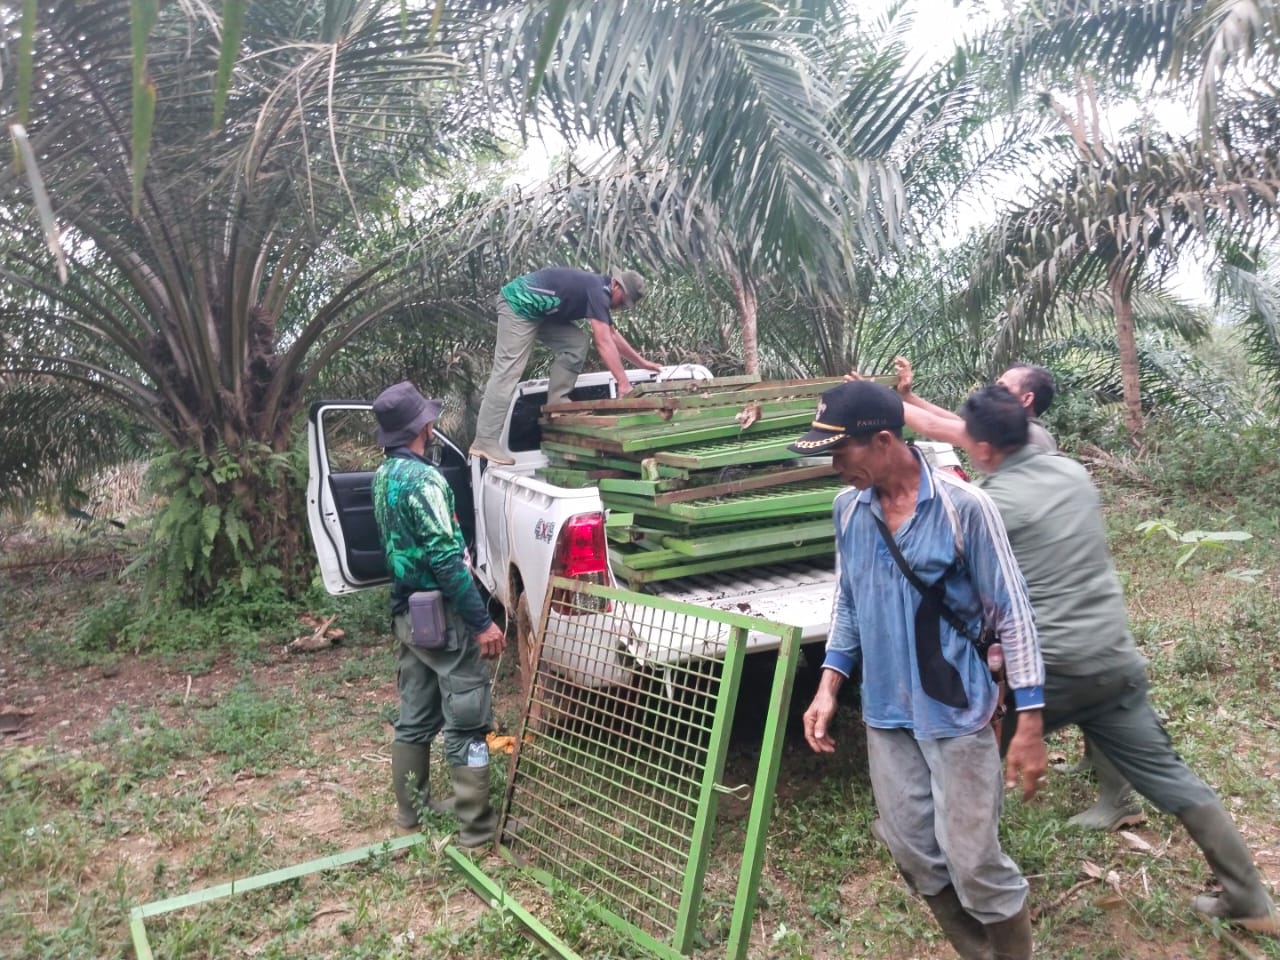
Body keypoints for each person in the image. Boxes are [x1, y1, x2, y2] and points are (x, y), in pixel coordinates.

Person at [956, 385, 1278, 933]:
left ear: (984, 449)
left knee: (960, 753)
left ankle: (951, 870)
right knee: (1175, 780)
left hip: (1050, 670)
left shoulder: (989, 505)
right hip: (1113, 656)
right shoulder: (1074, 474)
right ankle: (1251, 900)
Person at [795, 379, 1048, 960]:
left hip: (957, 709)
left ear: (883, 441)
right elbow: (851, 603)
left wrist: (1030, 720)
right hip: (887, 710)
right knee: (912, 850)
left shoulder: (965, 509)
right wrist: (829, 686)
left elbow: (1014, 612)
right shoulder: (848, 511)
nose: (834, 467)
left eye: (840, 452)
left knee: (974, 861)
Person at [894, 356, 1138, 832]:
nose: (994, 389)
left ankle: (1112, 797)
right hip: (1049, 587)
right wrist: (905, 397)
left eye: (1003, 387)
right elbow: (951, 421)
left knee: (1070, 687)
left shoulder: (1033, 440)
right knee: (1093, 690)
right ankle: (1098, 770)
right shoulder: (1014, 434)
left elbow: (944, 427)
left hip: (1046, 591)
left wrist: (878, 404)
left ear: (1025, 400)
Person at [371, 381, 507, 846]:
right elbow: (447, 561)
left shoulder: (384, 475)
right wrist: (481, 621)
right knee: (468, 716)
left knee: (415, 714)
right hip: (444, 613)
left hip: (409, 614)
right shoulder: (425, 480)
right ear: (422, 427)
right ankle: (478, 828)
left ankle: (411, 813)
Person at [470, 267, 663, 464]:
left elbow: (612, 335)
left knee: (576, 343)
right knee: (508, 371)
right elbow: (603, 341)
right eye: (623, 301)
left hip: (540, 312)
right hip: (518, 304)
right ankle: (485, 440)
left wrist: (642, 363)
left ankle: (557, 402)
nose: (620, 306)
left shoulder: (600, 291)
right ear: (616, 285)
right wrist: (623, 383)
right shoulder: (599, 290)